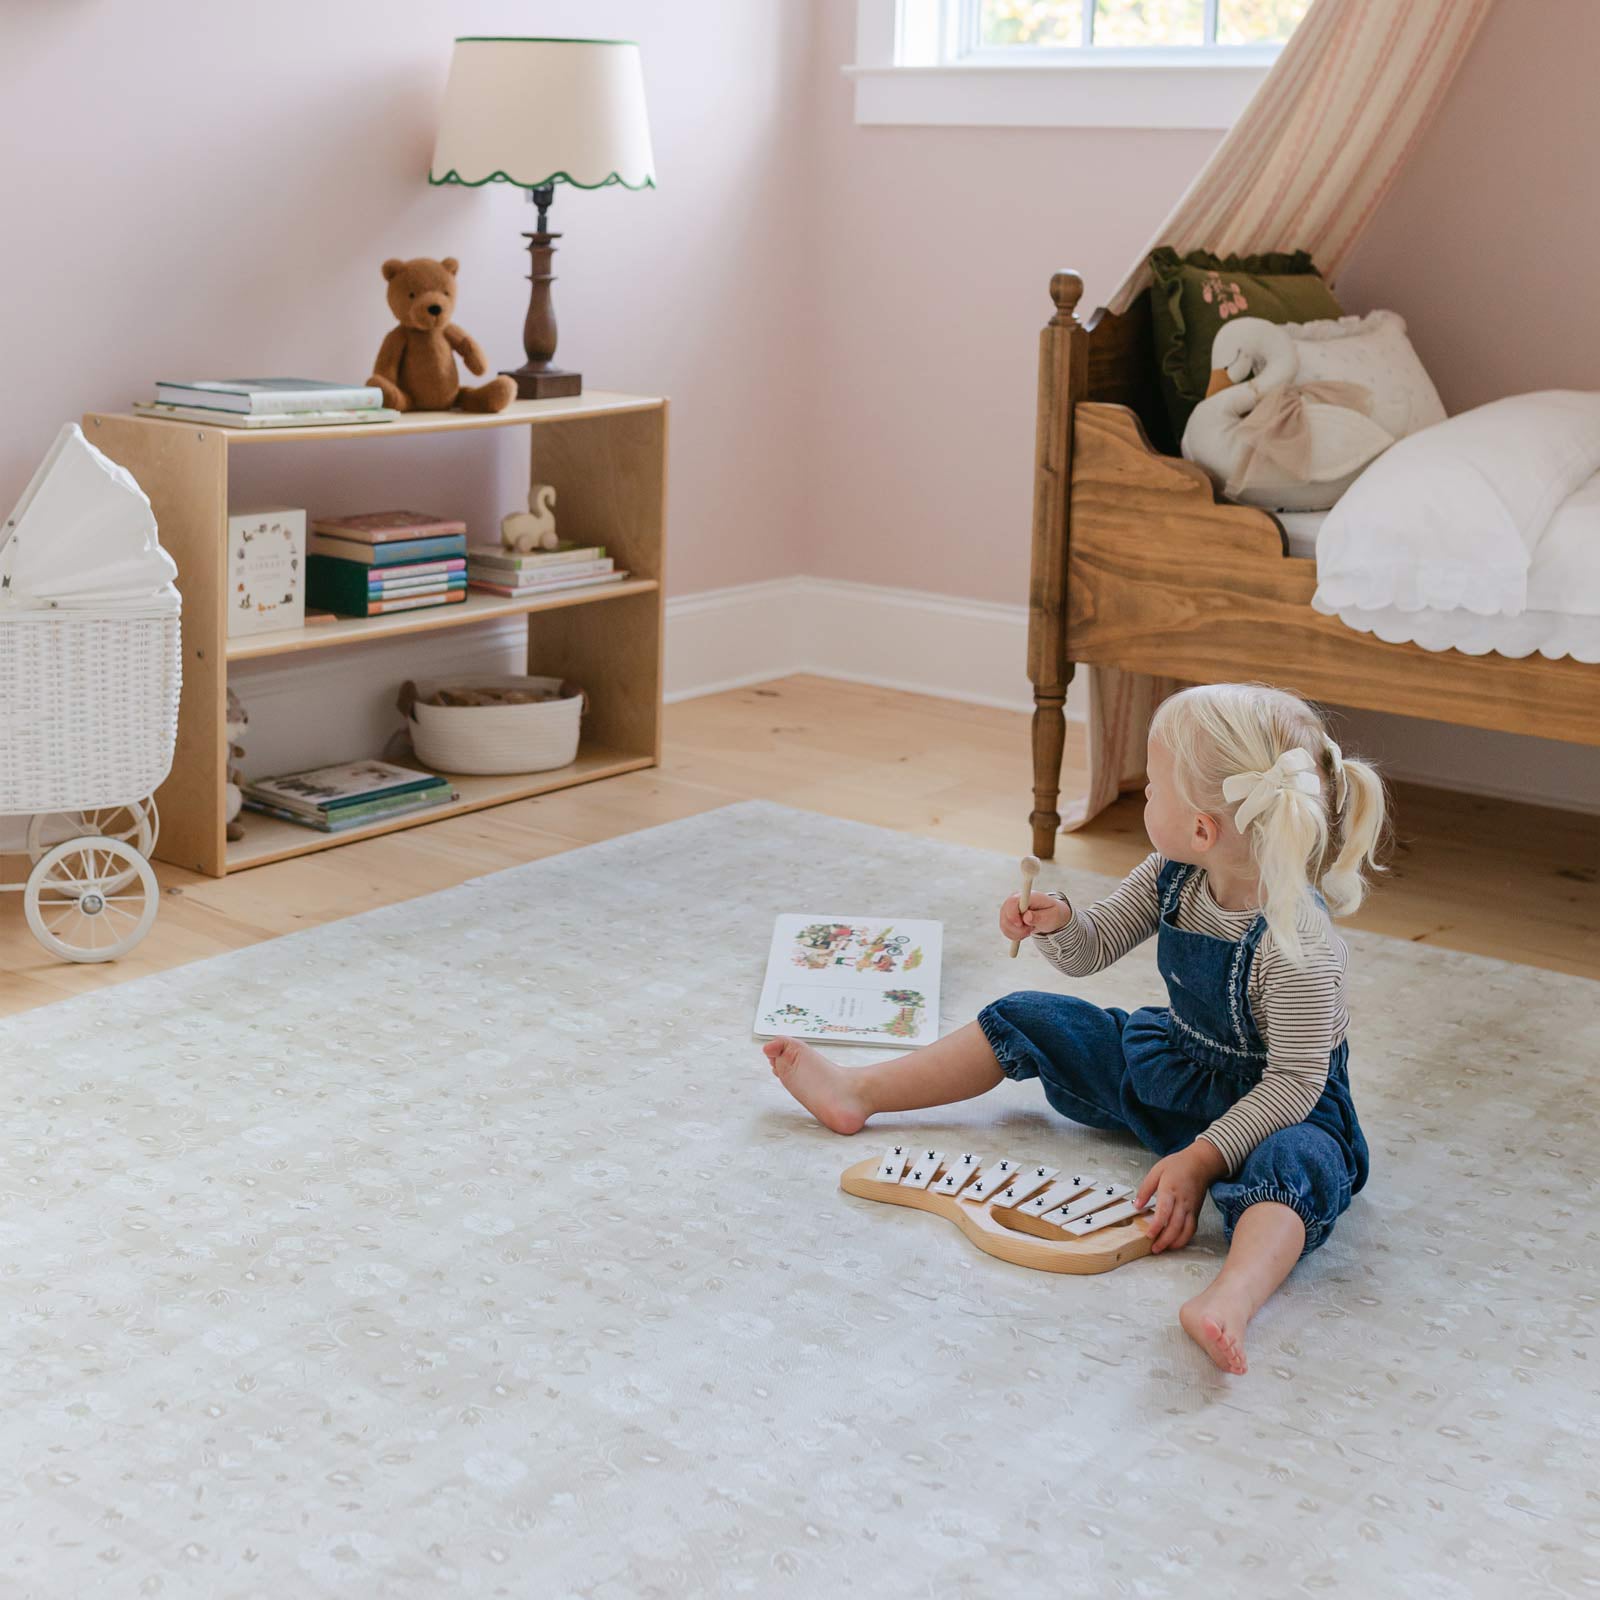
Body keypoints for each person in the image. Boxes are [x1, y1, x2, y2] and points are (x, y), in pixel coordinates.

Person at [764, 683, 1386, 1374]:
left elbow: (1294, 1085)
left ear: (1205, 828)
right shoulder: (1174, 873)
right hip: (1176, 1070)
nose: (1143, 797)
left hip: (1279, 1109)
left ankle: (1229, 1299)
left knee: (1297, 1169)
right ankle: (861, 1090)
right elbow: (1092, 951)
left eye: (1152, 787)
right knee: (1031, 1017)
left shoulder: (1299, 945)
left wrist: (1202, 1159)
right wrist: (1057, 922)